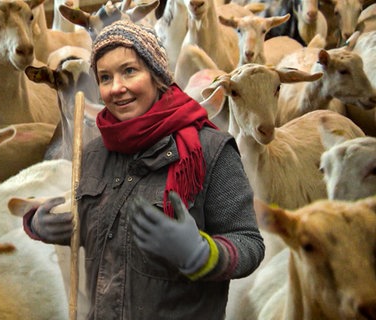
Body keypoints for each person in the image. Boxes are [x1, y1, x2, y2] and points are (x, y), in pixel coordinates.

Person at [22, 19, 265, 320]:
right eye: (105, 77)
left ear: (157, 75)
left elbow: (249, 242)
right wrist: (40, 224)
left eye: (129, 71)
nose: (117, 88)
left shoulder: (209, 150)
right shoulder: (96, 152)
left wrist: (203, 253)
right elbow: (101, 229)